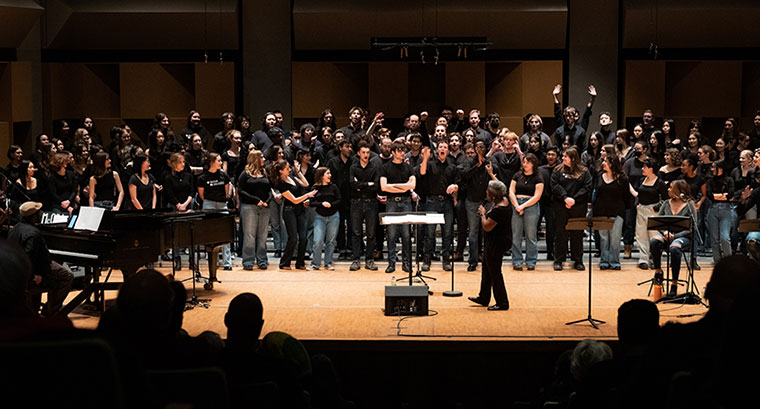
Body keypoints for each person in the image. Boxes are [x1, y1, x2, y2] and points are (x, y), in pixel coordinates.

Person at [8, 201, 74, 316]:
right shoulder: (33, 234)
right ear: (34, 216)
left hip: (16, 271)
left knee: (58, 269)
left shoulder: (14, 229)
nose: (41, 214)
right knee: (67, 276)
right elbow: (29, 258)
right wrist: (35, 276)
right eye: (39, 213)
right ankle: (51, 312)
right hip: (34, 270)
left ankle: (38, 307)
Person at [649, 180, 698, 297]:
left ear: (679, 191)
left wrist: (675, 236)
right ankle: (658, 272)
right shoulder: (666, 203)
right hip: (666, 234)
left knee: (675, 247)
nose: (668, 190)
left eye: (670, 188)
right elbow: (658, 222)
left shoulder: (690, 205)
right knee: (654, 241)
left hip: (683, 237)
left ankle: (674, 283)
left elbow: (692, 227)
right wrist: (665, 232)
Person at [468, 180, 511, 311]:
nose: (486, 193)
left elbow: (487, 226)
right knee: (486, 269)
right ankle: (484, 297)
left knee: (495, 272)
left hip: (496, 243)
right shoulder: (503, 200)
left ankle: (502, 302)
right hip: (496, 241)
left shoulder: (499, 210)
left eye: (488, 192)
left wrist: (482, 214)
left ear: (493, 195)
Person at [419, 140, 460, 272]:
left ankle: (446, 259)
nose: (442, 149)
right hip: (432, 202)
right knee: (429, 232)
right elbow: (422, 172)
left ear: (447, 151)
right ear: (437, 150)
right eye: (440, 147)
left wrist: (454, 186)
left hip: (447, 202)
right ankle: (427, 259)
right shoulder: (430, 164)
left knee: (447, 233)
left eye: (445, 147)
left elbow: (459, 183)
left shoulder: (452, 166)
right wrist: (425, 158)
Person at [551, 147, 592, 271]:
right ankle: (559, 260)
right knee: (560, 233)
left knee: (577, 233)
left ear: (573, 158)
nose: (562, 158)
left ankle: (578, 260)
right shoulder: (557, 170)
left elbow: (587, 187)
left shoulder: (584, 171)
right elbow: (554, 185)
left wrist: (574, 199)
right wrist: (565, 198)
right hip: (561, 205)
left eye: (565, 156)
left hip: (578, 205)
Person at [271, 159, 316, 270]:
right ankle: (284, 263)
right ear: (281, 171)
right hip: (289, 210)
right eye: (287, 169)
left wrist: (299, 171)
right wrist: (307, 196)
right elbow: (295, 200)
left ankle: (300, 262)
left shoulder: (292, 178)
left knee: (303, 237)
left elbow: (306, 184)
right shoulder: (281, 184)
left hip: (300, 210)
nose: (290, 170)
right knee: (293, 238)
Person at [380, 140, 416, 274]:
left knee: (406, 234)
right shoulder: (385, 167)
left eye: (403, 151)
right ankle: (391, 263)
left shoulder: (408, 167)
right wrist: (403, 186)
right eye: (400, 151)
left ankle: (406, 263)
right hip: (391, 202)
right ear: (393, 152)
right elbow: (384, 187)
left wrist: (394, 186)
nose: (403, 153)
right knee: (391, 234)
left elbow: (412, 185)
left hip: (406, 201)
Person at [593, 154, 631, 270]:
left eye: (605, 161)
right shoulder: (599, 176)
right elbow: (596, 194)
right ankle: (604, 260)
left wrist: (624, 211)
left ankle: (614, 261)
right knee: (604, 238)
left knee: (615, 238)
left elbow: (626, 197)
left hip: (617, 212)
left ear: (611, 164)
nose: (603, 163)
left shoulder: (623, 179)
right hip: (601, 211)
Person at [198, 152, 233, 271]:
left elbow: (227, 191)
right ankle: (214, 261)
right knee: (211, 234)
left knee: (225, 233)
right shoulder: (203, 177)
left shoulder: (223, 175)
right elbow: (202, 195)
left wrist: (223, 200)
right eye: (218, 160)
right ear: (212, 162)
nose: (221, 162)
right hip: (208, 204)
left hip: (222, 205)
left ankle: (227, 262)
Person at [509, 153, 543, 270]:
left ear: (533, 164)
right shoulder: (517, 175)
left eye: (528, 162)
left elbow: (537, 196)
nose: (525, 164)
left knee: (530, 235)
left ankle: (531, 261)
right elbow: (511, 192)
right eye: (524, 162)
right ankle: (517, 261)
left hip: (531, 205)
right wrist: (517, 205)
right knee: (516, 235)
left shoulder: (538, 177)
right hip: (516, 204)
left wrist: (522, 206)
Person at [633, 158, 668, 269]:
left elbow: (666, 200)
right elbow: (639, 194)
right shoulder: (642, 180)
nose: (642, 169)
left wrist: (657, 207)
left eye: (645, 167)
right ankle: (643, 259)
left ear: (651, 169)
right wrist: (637, 204)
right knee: (641, 235)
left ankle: (654, 258)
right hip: (641, 210)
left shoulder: (660, 183)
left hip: (653, 211)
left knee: (654, 236)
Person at [349, 141, 380, 271]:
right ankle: (356, 259)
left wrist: (361, 185)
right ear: (358, 153)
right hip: (356, 202)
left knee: (371, 233)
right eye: (363, 153)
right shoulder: (353, 167)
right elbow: (352, 185)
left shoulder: (374, 167)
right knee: (356, 232)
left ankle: (369, 260)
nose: (366, 155)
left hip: (371, 202)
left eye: (368, 152)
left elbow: (377, 186)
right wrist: (368, 184)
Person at [238, 150, 271, 270]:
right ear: (255, 159)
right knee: (250, 236)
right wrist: (256, 200)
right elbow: (241, 191)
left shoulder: (265, 172)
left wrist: (268, 200)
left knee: (263, 236)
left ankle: (262, 260)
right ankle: (248, 261)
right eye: (262, 157)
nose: (264, 159)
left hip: (265, 207)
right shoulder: (245, 173)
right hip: (249, 207)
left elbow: (269, 189)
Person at [309, 167, 341, 271]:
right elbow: (311, 202)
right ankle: (315, 263)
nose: (330, 175)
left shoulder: (334, 187)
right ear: (322, 175)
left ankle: (328, 262)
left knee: (331, 241)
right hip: (319, 216)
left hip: (333, 216)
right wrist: (321, 204)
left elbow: (339, 200)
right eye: (328, 173)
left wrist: (331, 204)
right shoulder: (315, 188)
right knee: (317, 241)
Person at [706, 160, 735, 263]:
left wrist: (717, 196)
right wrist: (723, 196)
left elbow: (731, 194)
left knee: (724, 237)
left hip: (726, 209)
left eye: (714, 167)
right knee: (714, 239)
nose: (712, 169)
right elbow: (709, 195)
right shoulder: (710, 181)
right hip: (713, 209)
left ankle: (729, 261)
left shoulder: (729, 179)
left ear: (721, 168)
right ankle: (717, 261)